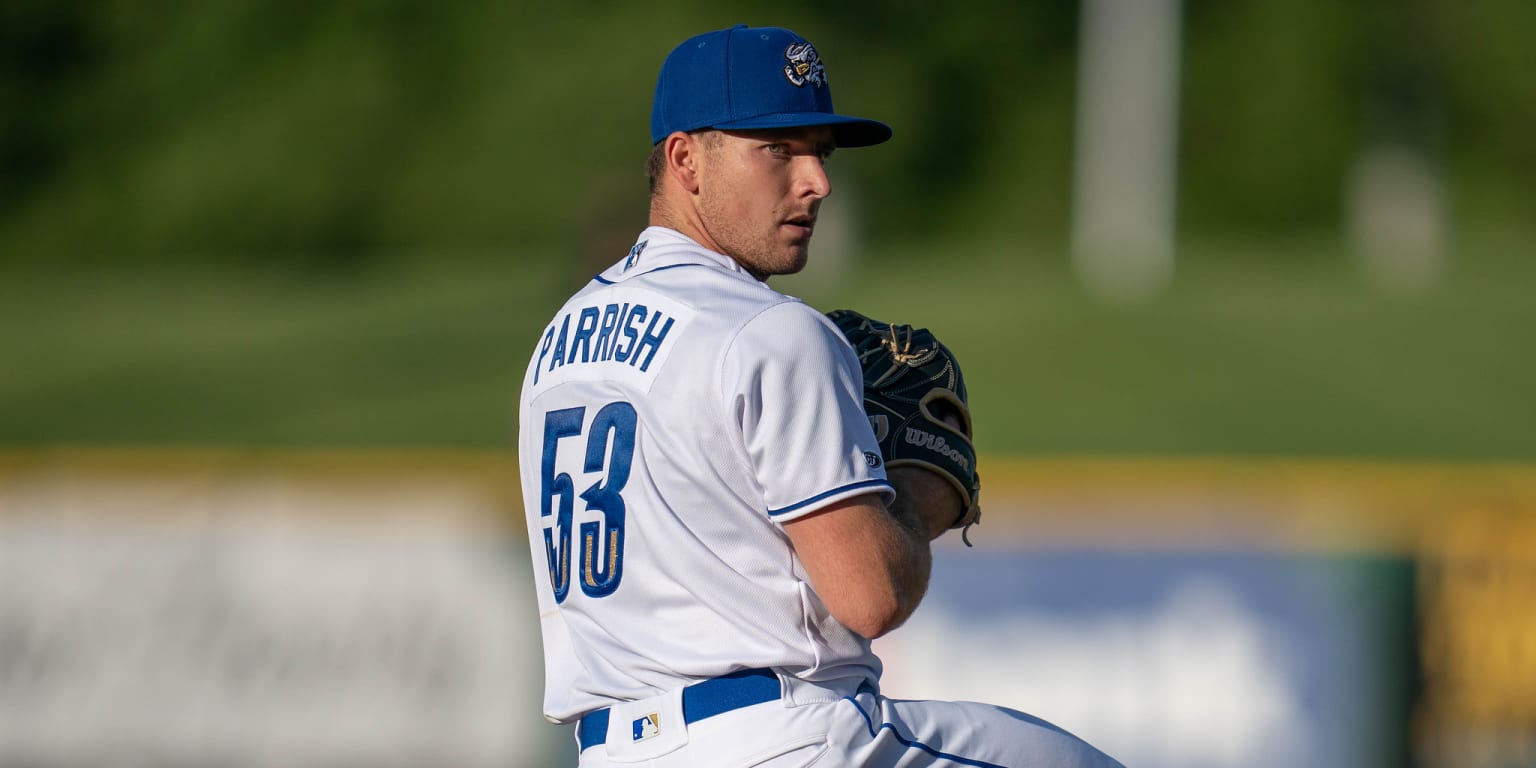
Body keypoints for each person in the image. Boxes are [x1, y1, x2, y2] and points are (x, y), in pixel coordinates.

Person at [517, 24, 1123, 767]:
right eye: (778, 149)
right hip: (783, 740)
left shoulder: (558, 344)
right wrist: (920, 487)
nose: (817, 181)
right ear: (685, 159)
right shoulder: (771, 332)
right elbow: (871, 597)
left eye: (820, 153)